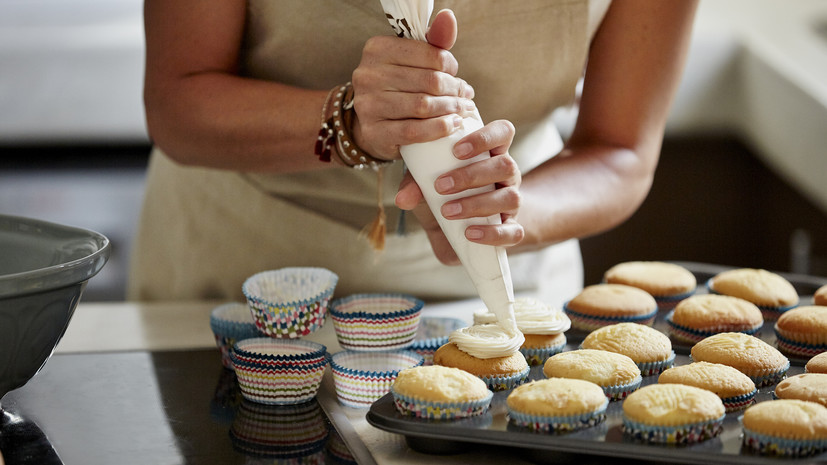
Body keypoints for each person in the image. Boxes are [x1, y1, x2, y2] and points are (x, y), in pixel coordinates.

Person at [128, 0, 699, 308]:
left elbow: (619, 149)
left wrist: (497, 212)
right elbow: (177, 99)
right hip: (246, 274)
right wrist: (346, 120)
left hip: (507, 286)